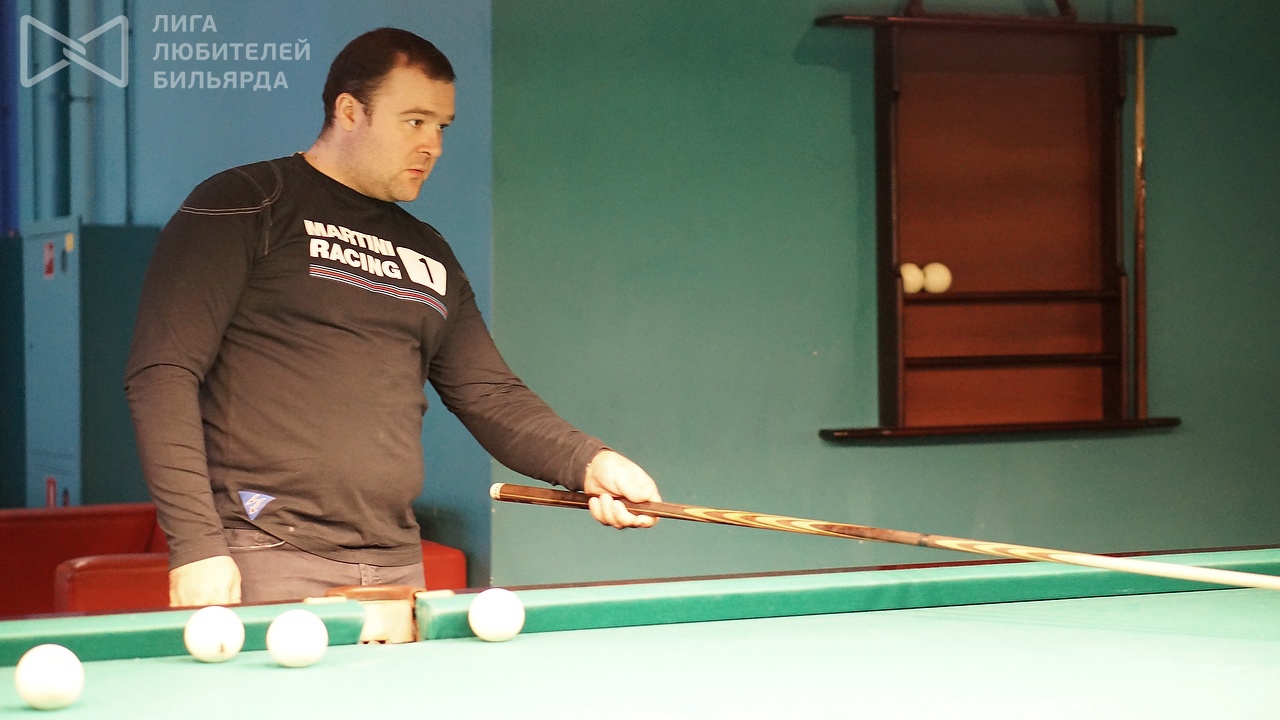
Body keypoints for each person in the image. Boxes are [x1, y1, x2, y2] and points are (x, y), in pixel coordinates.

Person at [125, 28, 661, 608]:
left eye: (442, 126)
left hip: (396, 563)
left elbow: (489, 395)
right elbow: (162, 373)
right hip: (263, 550)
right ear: (349, 112)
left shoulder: (429, 251)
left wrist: (591, 461)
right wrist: (197, 547)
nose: (433, 145)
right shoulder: (248, 202)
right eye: (414, 121)